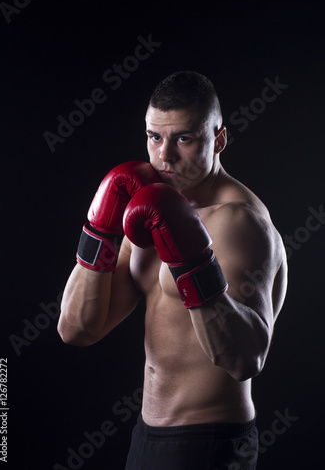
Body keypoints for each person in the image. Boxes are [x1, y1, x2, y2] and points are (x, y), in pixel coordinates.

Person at [57, 71, 288, 470]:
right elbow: (77, 330)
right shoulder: (149, 208)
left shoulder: (239, 222)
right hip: (147, 437)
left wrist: (191, 261)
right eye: (154, 137)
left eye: (184, 138)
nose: (165, 156)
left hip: (211, 443)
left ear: (218, 139)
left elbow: (245, 361)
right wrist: (100, 232)